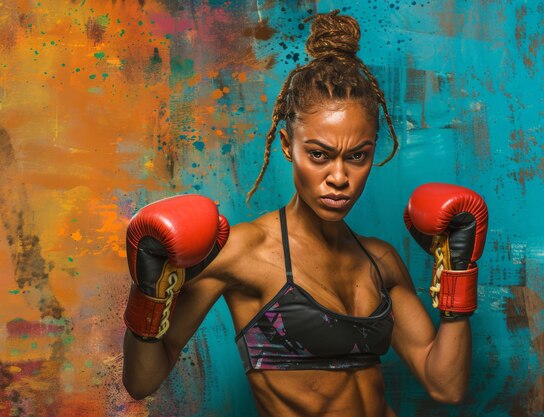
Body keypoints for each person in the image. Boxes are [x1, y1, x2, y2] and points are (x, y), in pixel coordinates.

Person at [121, 10, 488, 417]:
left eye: (358, 156)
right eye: (319, 155)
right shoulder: (245, 251)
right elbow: (141, 382)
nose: (339, 177)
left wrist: (457, 275)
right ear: (285, 145)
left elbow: (446, 385)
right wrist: (149, 295)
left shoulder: (380, 261)